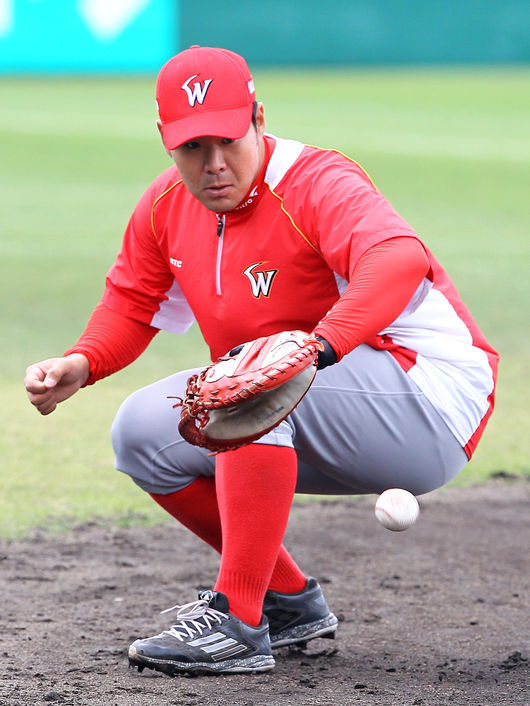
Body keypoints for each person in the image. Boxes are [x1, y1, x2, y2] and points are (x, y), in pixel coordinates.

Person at [24, 46, 499, 677]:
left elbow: (399, 259)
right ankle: (286, 599)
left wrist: (316, 347)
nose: (214, 163)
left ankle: (238, 623)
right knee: (140, 433)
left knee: (250, 383)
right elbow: (133, 303)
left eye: (228, 139)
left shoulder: (316, 182)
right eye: (193, 147)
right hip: (324, 397)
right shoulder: (165, 206)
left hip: (430, 395)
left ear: (258, 119)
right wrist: (82, 362)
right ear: (166, 140)